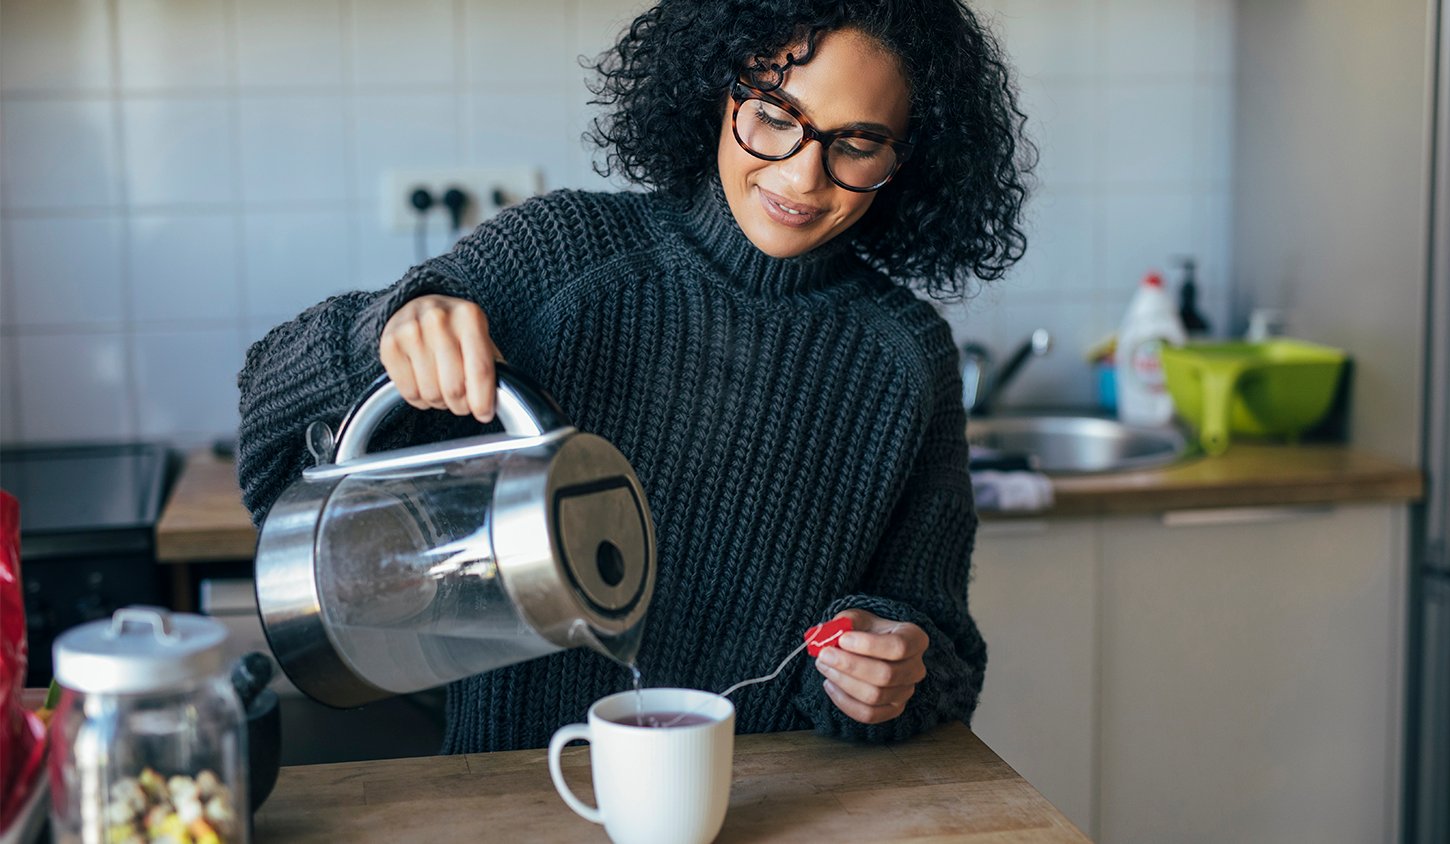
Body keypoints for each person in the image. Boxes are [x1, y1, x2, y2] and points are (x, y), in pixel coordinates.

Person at [237, 0, 1032, 753]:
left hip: (768, 809)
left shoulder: (906, 357)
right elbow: (268, 429)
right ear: (714, 88)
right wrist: (387, 330)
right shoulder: (562, 256)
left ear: (906, 158)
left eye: (856, 144)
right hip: (516, 803)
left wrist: (885, 674)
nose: (801, 176)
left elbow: (942, 651)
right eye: (774, 116)